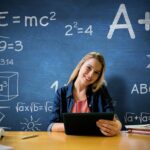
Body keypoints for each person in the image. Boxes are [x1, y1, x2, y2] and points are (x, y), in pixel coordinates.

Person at [47, 51, 122, 136]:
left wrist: (118, 126)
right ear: (80, 66)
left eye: (96, 72)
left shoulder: (101, 92)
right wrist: (81, 126)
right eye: (89, 68)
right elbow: (51, 126)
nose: (90, 75)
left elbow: (114, 119)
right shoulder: (61, 93)